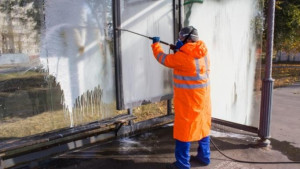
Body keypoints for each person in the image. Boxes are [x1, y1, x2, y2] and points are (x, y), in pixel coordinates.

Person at [151, 26, 211, 169]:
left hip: (188, 101)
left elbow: (164, 59)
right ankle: (204, 157)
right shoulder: (203, 52)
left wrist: (155, 45)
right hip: (203, 99)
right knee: (203, 127)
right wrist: (180, 49)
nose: (179, 39)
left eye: (181, 37)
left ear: (188, 39)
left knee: (184, 131)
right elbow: (189, 62)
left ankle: (182, 164)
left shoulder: (182, 57)